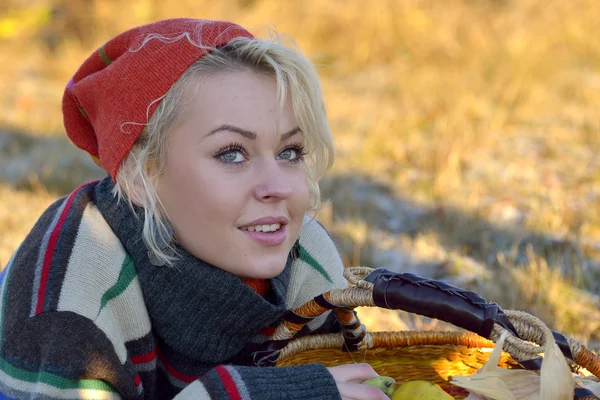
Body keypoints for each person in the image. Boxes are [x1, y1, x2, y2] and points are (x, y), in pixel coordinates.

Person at [0, 18, 390, 400]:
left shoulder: (305, 257)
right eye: (232, 153)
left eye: (289, 152)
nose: (279, 188)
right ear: (141, 175)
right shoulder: (73, 292)